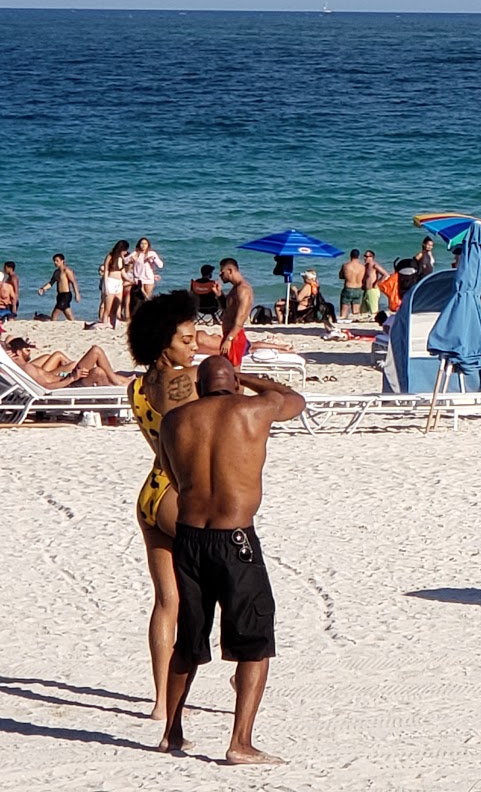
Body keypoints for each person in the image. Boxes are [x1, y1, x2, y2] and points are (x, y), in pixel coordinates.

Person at [157, 355, 304, 764]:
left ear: (200, 386)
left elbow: (171, 473)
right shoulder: (255, 408)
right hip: (235, 539)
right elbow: (293, 399)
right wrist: (249, 379)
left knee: (189, 637)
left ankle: (171, 733)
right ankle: (240, 743)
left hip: (189, 537)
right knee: (254, 643)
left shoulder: (174, 421)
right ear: (234, 383)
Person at [125, 291, 201, 720]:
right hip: (181, 492)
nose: (193, 345)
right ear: (163, 342)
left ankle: (159, 702)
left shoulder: (136, 386)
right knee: (229, 587)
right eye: (186, 339)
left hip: (151, 491)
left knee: (165, 600)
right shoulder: (186, 381)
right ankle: (239, 666)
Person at [197, 258, 253, 363]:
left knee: (234, 373)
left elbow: (241, 318)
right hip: (229, 334)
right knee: (228, 370)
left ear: (230, 271)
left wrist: (229, 339)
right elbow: (227, 309)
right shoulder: (235, 289)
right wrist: (219, 294)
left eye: (222, 272)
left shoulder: (243, 290)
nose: (220, 275)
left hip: (234, 337)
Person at [5, 336, 122, 386]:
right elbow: (46, 386)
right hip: (69, 383)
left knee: (98, 370)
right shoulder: (27, 368)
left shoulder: (18, 368)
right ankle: (116, 382)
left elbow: (8, 338)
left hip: (67, 380)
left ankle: (118, 382)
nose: (30, 351)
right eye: (26, 349)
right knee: (96, 352)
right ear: (19, 353)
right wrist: (72, 378)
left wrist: (6, 355)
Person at [126, 237, 165, 315]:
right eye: (142, 243)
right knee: (137, 298)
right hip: (138, 279)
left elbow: (160, 265)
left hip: (148, 278)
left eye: (145, 244)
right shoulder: (135, 253)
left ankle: (148, 313)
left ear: (148, 245)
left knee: (147, 297)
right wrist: (131, 260)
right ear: (139, 244)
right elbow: (125, 260)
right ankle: (136, 313)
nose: (143, 245)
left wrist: (153, 259)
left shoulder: (151, 253)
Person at [38, 253, 79, 321]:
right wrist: (43, 289)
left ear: (62, 261)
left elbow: (73, 282)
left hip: (66, 295)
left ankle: (53, 323)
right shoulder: (56, 272)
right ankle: (74, 323)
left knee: (55, 314)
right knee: (68, 313)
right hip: (59, 295)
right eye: (54, 261)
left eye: (57, 261)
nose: (55, 262)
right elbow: (51, 283)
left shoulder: (67, 271)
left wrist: (77, 294)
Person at [100, 240, 130, 327]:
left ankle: (112, 323)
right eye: (125, 250)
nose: (126, 252)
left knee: (117, 305)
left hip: (119, 283)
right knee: (107, 307)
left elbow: (123, 273)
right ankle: (105, 322)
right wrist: (105, 286)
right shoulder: (110, 257)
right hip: (110, 281)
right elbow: (106, 271)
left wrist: (132, 280)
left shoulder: (122, 258)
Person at [337, 250, 365, 321]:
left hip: (348, 288)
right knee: (356, 312)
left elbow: (341, 276)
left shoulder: (346, 266)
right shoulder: (362, 267)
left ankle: (343, 322)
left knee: (344, 312)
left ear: (350, 256)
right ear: (358, 256)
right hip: (358, 289)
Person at [361, 251, 388, 317]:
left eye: (366, 256)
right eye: (364, 256)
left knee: (374, 311)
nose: (364, 258)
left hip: (373, 290)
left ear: (372, 257)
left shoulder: (374, 265)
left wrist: (377, 283)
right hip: (366, 290)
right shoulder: (366, 266)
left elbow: (385, 274)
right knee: (363, 311)